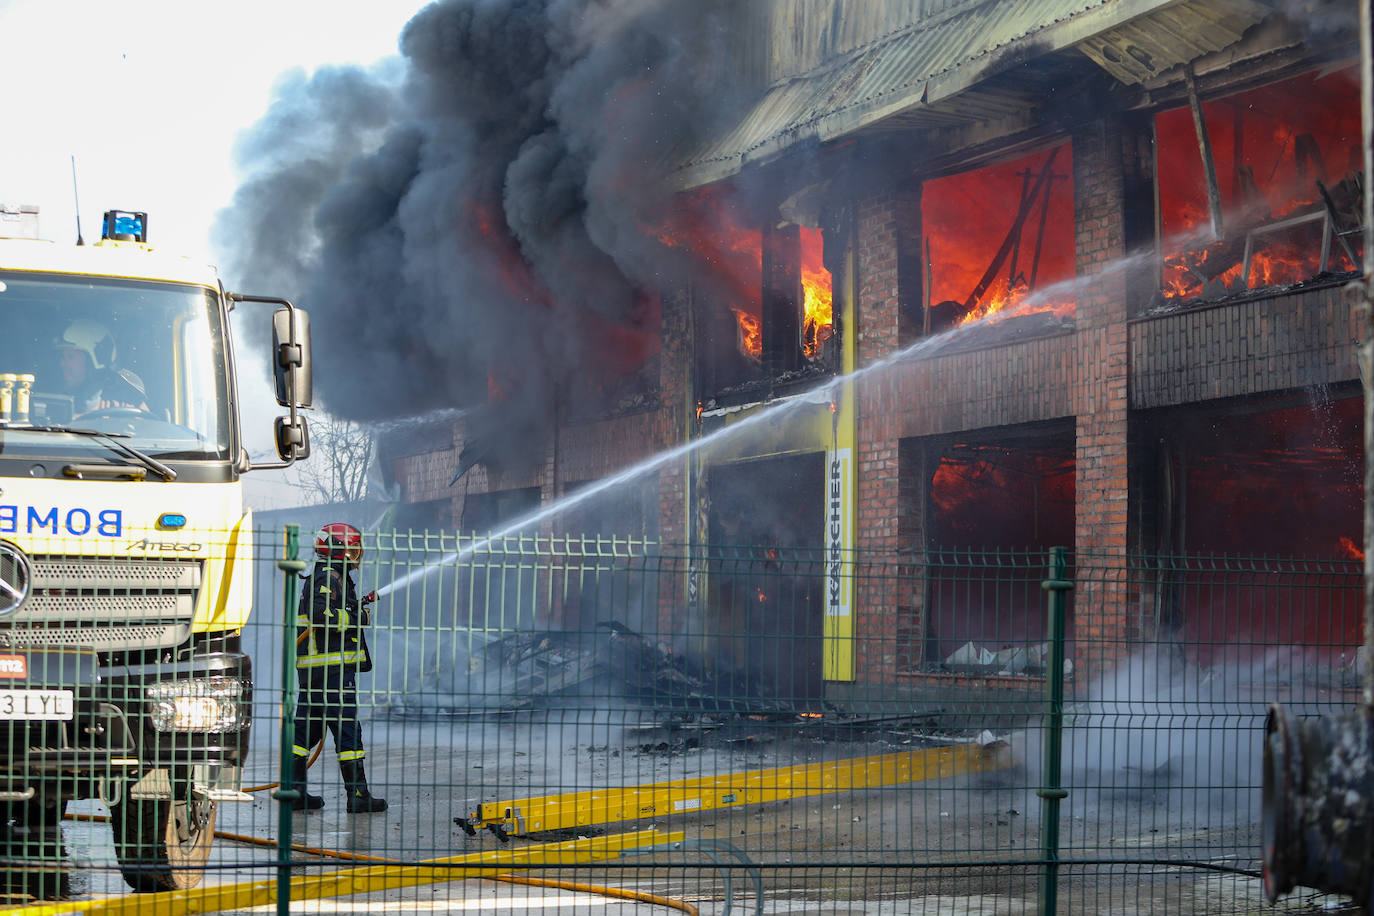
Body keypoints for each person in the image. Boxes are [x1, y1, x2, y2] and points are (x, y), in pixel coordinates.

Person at [291, 522, 388, 813]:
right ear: (339, 549)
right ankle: (357, 797)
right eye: (353, 547)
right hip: (332, 672)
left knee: (304, 735)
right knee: (348, 732)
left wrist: (353, 608)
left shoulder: (327, 576)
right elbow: (324, 615)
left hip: (313, 674)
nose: (357, 553)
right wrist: (356, 615)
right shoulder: (329, 576)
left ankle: (295, 793)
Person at [53, 320, 148, 416]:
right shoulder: (55, 400)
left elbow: (146, 427)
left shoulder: (126, 403)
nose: (62, 363)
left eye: (70, 357)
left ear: (93, 363)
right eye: (62, 357)